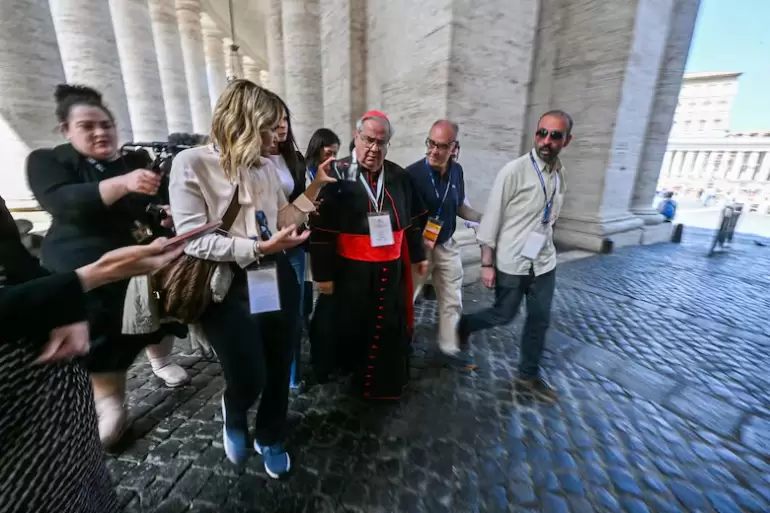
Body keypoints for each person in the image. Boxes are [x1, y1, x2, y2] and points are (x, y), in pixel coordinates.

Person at [168, 79, 335, 477]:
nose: (279, 135)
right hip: (225, 285)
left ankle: (271, 435)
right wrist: (257, 249)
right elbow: (194, 241)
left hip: (274, 275)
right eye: (270, 127)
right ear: (243, 123)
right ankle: (235, 406)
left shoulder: (264, 167)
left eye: (280, 126)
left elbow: (281, 219)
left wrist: (314, 191)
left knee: (280, 364)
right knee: (248, 371)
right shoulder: (190, 164)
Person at [26, 84, 189, 448]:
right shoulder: (48, 161)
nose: (100, 132)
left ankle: (161, 361)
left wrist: (161, 213)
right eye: (87, 126)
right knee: (105, 333)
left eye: (106, 124)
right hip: (88, 266)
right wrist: (122, 183)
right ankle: (112, 403)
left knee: (161, 311)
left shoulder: (133, 160)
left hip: (145, 256)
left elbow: (149, 204)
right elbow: (65, 204)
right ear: (66, 130)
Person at [0, 194, 184, 513]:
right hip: (14, 424)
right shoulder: (55, 170)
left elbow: (18, 262)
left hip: (61, 401)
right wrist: (88, 277)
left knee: (87, 484)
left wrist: (65, 308)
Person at [310, 111, 428, 400]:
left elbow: (413, 221)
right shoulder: (334, 172)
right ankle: (350, 376)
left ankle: (380, 381)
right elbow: (320, 229)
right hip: (350, 270)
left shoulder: (399, 175)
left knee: (387, 325)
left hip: (390, 271)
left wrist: (418, 254)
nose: (374, 148)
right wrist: (322, 275)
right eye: (368, 140)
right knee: (352, 326)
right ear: (356, 136)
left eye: (381, 142)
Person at [457, 110, 572, 403]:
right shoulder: (514, 171)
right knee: (503, 315)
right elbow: (492, 218)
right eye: (541, 133)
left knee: (540, 318)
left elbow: (551, 217)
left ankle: (528, 375)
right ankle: (464, 325)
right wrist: (486, 263)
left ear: (566, 141)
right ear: (536, 135)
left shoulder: (560, 175)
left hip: (543, 262)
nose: (546, 141)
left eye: (555, 135)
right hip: (512, 261)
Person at [406, 120, 482, 366]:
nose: (434, 151)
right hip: (420, 248)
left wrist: (484, 218)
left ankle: (449, 347)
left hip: (447, 244)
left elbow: (459, 206)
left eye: (442, 146)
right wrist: (417, 249)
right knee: (407, 297)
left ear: (454, 148)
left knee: (452, 296)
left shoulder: (457, 172)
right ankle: (399, 341)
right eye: (431, 144)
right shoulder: (412, 174)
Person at [263, 94, 310, 391]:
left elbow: (299, 200)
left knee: (294, 311)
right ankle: (269, 371)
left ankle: (293, 371)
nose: (281, 126)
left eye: (285, 119)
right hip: (261, 248)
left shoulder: (295, 158)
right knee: (267, 311)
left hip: (294, 242)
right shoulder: (256, 158)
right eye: (275, 120)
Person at [303, 128, 341, 380]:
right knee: (312, 304)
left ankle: (325, 356)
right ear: (318, 148)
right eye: (329, 152)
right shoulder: (303, 172)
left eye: (336, 154)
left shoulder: (332, 173)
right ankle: (317, 359)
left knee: (327, 302)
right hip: (307, 246)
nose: (332, 158)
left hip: (326, 244)